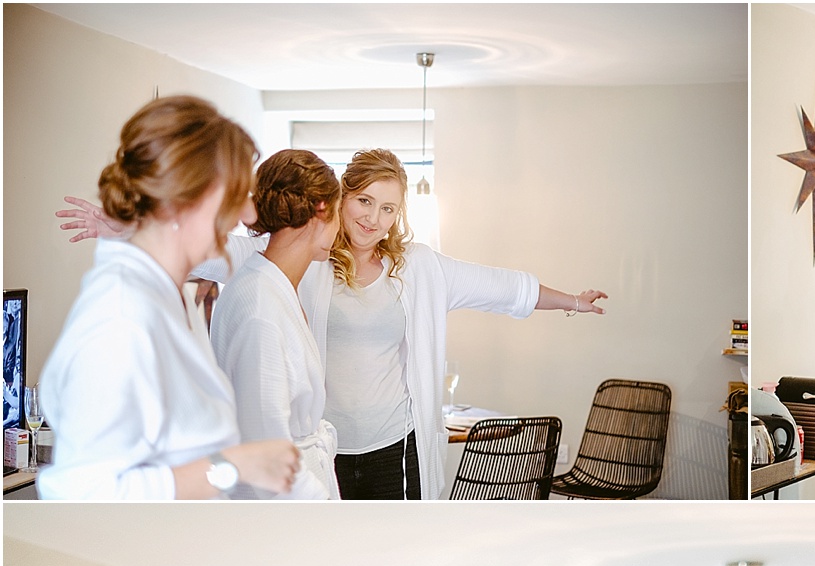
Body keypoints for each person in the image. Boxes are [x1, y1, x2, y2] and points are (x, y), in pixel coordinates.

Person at [58, 147, 608, 499]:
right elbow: (200, 249)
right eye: (364, 201)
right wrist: (120, 225)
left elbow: (502, 287)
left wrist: (572, 302)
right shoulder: (296, 256)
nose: (374, 218)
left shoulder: (417, 268)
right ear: (339, 201)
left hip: (395, 446)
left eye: (389, 209)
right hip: (326, 451)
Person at [39, 96, 298, 498]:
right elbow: (82, 494)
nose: (249, 216)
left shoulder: (175, 298)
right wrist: (233, 467)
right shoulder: (120, 319)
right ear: (185, 200)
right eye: (238, 195)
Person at [209, 149, 341, 497]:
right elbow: (268, 450)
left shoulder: (273, 286)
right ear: (322, 210)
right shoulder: (260, 309)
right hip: (283, 507)